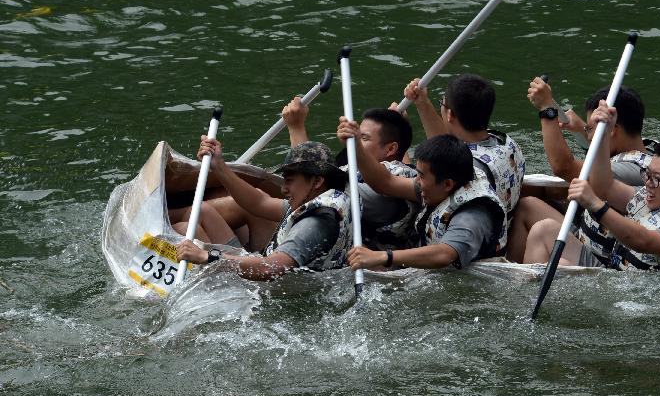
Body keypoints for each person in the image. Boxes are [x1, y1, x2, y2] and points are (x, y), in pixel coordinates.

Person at [524, 102, 660, 275]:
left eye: (657, 179)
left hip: (643, 300)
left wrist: (596, 205)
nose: (648, 184)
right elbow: (604, 187)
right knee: (543, 230)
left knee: (560, 270)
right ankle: (528, 300)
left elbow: (643, 241)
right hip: (614, 273)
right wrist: (604, 133)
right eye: (648, 174)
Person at [506, 82, 653, 262]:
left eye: (593, 128)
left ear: (612, 129)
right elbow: (603, 149)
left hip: (601, 260)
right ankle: (513, 266)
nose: (590, 136)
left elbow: (564, 166)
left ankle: (521, 282)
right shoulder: (647, 147)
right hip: (585, 237)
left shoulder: (628, 170)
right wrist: (583, 128)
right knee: (527, 205)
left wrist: (547, 109)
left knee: (542, 231)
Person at [337, 120, 506, 270]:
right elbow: (385, 182)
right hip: (422, 256)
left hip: (462, 286)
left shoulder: (471, 217)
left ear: (447, 184)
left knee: (372, 265)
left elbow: (444, 254)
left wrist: (383, 257)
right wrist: (357, 145)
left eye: (422, 176)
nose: (416, 181)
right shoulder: (443, 182)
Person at [174, 141, 352, 280]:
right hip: (268, 268)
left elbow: (270, 269)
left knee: (184, 229)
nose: (283, 189)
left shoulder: (314, 224)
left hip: (258, 288)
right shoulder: (325, 199)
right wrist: (219, 166)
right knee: (202, 212)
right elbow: (259, 202)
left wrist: (207, 257)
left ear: (317, 182)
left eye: (289, 181)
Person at [282, 97, 419, 250]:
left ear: (390, 149)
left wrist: (296, 127)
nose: (354, 142)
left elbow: (314, 185)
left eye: (363, 138)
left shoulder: (400, 177)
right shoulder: (354, 169)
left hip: (372, 266)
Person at [402, 73, 525, 218]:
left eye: (442, 103)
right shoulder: (507, 143)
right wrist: (422, 103)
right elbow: (443, 147)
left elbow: (385, 182)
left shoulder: (465, 170)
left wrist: (401, 134)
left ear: (450, 115)